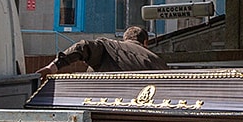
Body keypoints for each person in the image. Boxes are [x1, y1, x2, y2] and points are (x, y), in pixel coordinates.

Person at [36, 25, 167, 78]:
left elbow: (82, 47)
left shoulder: (111, 46)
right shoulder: (157, 61)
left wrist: (52, 67)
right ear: (145, 42)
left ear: (124, 39)